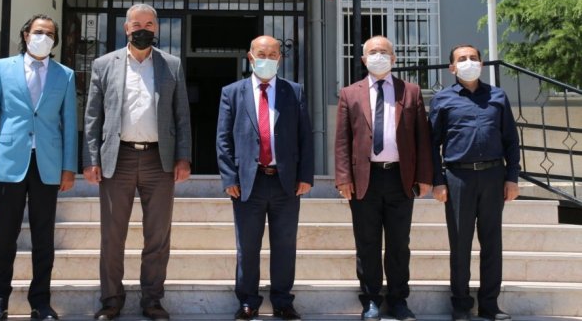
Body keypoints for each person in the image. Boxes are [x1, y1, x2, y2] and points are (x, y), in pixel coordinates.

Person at [82, 3, 192, 321]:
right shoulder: (104, 65)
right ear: (126, 28)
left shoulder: (171, 65)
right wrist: (91, 158)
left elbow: (182, 116)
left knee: (157, 236)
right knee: (112, 235)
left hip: (160, 160)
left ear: (156, 29)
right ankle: (111, 300)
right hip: (118, 159)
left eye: (149, 25)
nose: (143, 30)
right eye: (136, 25)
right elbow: (93, 116)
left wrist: (183, 157)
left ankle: (152, 300)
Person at [0, 14, 78, 321]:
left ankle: (41, 303)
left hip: (48, 163)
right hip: (10, 161)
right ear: (25, 35)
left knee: (44, 237)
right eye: (39, 31)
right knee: (6, 235)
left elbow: (69, 122)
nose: (44, 37)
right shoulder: (1, 68)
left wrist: (69, 167)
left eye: (50, 34)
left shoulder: (65, 75)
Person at [335, 35, 433, 321]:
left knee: (399, 244)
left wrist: (424, 176)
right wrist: (343, 177)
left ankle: (398, 300)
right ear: (363, 59)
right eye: (373, 52)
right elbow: (342, 140)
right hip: (364, 179)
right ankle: (371, 300)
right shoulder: (349, 94)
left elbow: (422, 138)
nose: (378, 56)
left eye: (384, 52)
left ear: (394, 58)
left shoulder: (411, 92)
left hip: (400, 178)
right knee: (367, 242)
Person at [216, 35, 314, 321]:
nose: (267, 60)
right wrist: (229, 178)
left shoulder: (293, 91)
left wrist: (305, 176)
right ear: (250, 57)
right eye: (262, 55)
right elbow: (223, 139)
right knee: (247, 246)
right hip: (249, 182)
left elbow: (305, 137)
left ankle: (283, 301)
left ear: (280, 59)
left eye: (273, 55)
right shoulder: (232, 92)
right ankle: (248, 301)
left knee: (285, 245)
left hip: (285, 182)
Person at [429, 45, 520, 321]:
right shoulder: (442, 100)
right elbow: (432, 144)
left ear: (481, 63)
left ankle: (489, 304)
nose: (468, 62)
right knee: (460, 244)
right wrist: (437, 181)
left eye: (473, 58)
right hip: (458, 178)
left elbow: (510, 140)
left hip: (493, 176)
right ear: (452, 67)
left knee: (492, 243)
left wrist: (512, 177)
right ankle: (461, 305)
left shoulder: (498, 97)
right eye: (462, 59)